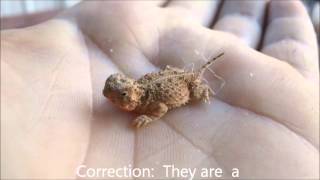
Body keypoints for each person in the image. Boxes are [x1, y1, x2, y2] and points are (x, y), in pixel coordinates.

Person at [1, 0, 318, 179]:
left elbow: (163, 107)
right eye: (113, 90)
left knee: (198, 91)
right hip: (169, 76)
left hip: (180, 83)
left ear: (130, 98)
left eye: (118, 95)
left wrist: (151, 117)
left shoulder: (146, 103)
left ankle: (202, 86)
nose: (110, 96)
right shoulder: (133, 91)